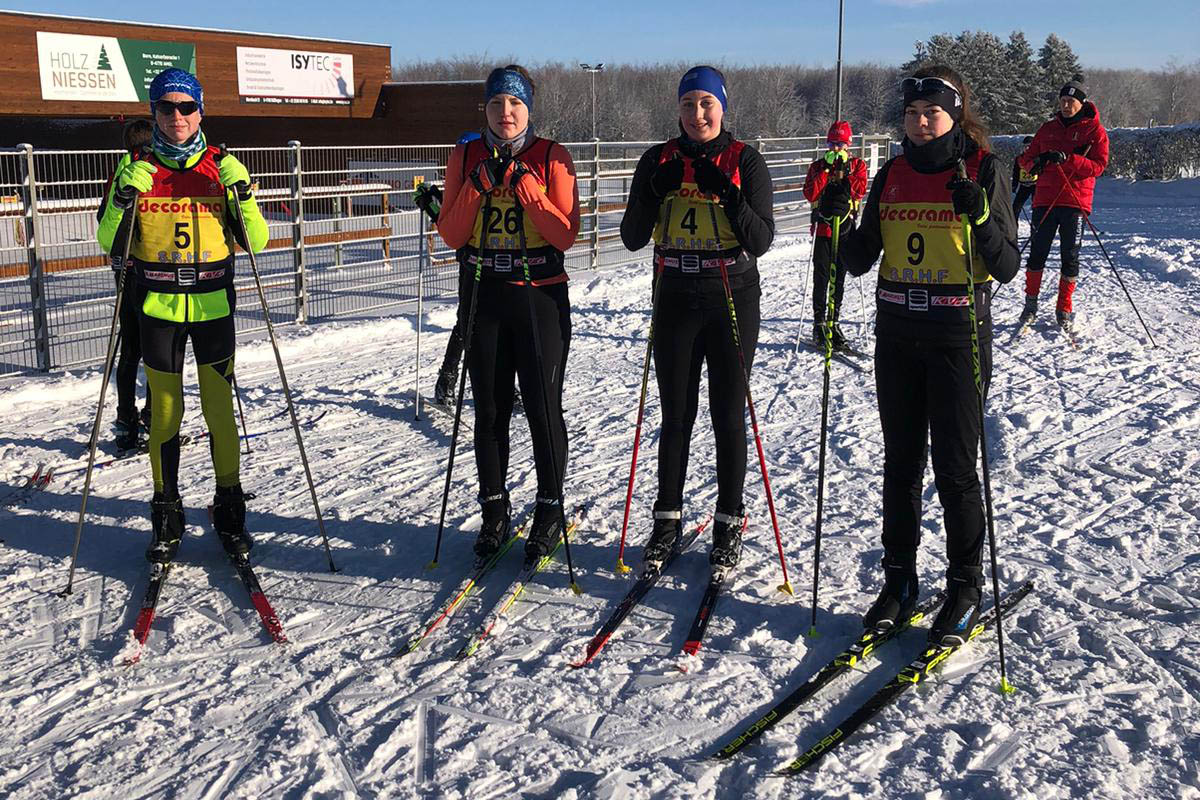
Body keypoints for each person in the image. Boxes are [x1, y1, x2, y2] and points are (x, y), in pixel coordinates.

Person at [827, 65, 1019, 644]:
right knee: (901, 462)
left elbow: (1007, 266)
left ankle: (964, 584)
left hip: (959, 331)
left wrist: (981, 216)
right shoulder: (891, 175)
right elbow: (859, 260)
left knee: (956, 468)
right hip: (898, 331)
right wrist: (834, 220)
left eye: (930, 113)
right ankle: (900, 580)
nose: (918, 124)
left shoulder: (983, 169)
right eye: (910, 114)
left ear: (954, 114)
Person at [95, 68, 269, 564]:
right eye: (166, 108)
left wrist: (246, 193)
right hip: (159, 310)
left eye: (186, 107)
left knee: (218, 411)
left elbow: (255, 242)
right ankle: (166, 513)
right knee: (166, 413)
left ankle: (230, 507)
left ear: (200, 112)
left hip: (214, 307)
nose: (177, 116)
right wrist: (123, 197)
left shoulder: (222, 166)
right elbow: (109, 242)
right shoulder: (136, 169)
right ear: (153, 114)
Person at [619, 66, 775, 570]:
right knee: (676, 415)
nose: (697, 114)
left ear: (723, 107)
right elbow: (631, 236)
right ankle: (667, 519)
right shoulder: (657, 158)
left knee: (728, 415)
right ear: (679, 109)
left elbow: (762, 239)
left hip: (730, 291)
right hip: (675, 293)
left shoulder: (745, 160)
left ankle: (730, 519)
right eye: (689, 104)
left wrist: (728, 195)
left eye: (707, 103)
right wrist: (652, 191)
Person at [435, 65, 580, 564]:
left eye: (515, 104)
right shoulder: (466, 154)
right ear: (486, 109)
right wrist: (477, 184)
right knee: (491, 410)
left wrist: (527, 190)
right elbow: (451, 235)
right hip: (484, 292)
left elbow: (565, 234)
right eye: (497, 104)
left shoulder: (551, 156)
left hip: (538, 294)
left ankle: (548, 506)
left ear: (528, 108)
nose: (506, 113)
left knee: (542, 408)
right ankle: (494, 511)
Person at [1016, 74, 1109, 332]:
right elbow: (1025, 160)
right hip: (1045, 199)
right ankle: (1030, 303)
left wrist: (1069, 159)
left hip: (1075, 201)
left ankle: (1064, 307)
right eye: (1062, 101)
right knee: (1037, 253)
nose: (1066, 105)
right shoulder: (1047, 128)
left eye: (1071, 101)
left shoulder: (1095, 131)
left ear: (1082, 103)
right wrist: (1037, 162)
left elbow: (1099, 166)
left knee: (1070, 257)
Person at [98, 118, 155, 451]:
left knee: (130, 350)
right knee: (155, 352)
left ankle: (125, 421)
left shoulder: (119, 170)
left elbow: (101, 217)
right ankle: (150, 417)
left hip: (122, 270)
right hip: (145, 271)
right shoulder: (144, 170)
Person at [802, 120, 868, 349]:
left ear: (848, 144)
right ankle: (819, 322)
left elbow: (860, 190)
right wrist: (826, 171)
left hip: (846, 228)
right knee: (821, 277)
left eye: (840, 144)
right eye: (832, 144)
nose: (836, 149)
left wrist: (846, 173)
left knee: (838, 277)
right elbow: (811, 194)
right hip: (823, 228)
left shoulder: (857, 164)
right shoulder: (818, 165)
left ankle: (834, 321)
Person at [1011, 135, 1037, 222]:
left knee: (1036, 208)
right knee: (1016, 208)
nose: (1027, 148)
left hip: (1035, 185)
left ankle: (1035, 231)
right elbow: (1016, 172)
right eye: (1025, 146)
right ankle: (1014, 230)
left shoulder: (1037, 158)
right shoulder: (1019, 158)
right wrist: (1014, 185)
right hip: (1024, 185)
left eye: (1029, 146)